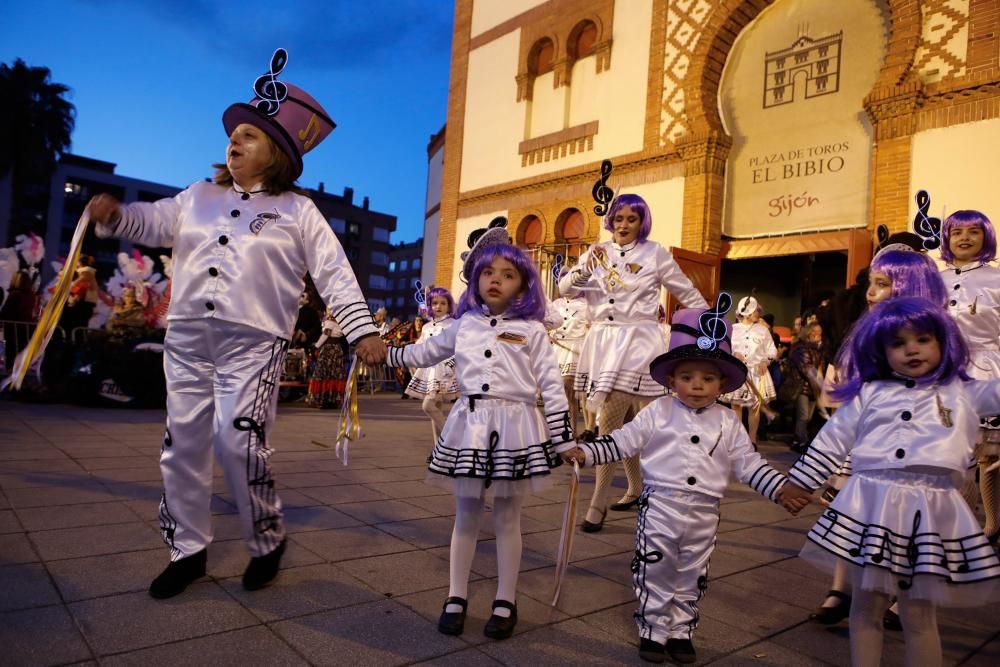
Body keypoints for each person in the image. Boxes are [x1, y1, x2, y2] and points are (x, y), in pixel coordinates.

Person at [85, 49, 386, 599]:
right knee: (183, 446)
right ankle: (187, 549)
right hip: (187, 341)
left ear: (276, 152)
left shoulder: (299, 211)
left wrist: (362, 328)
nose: (236, 141)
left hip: (254, 345)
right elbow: (151, 220)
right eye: (235, 134)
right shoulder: (198, 197)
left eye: (251, 135)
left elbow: (334, 271)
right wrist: (116, 216)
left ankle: (266, 538)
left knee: (237, 442)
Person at [562, 300, 805, 664]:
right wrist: (588, 453)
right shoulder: (658, 412)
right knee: (655, 565)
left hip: (705, 512)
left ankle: (680, 630)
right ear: (672, 379)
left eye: (708, 379)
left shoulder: (727, 422)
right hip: (660, 505)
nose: (697, 386)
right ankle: (653, 628)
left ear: (722, 383)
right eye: (688, 377)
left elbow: (749, 464)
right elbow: (623, 441)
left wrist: (779, 488)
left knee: (692, 572)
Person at [782, 297, 1000, 667]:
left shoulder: (964, 392)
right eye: (898, 343)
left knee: (919, 613)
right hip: (873, 505)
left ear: (944, 342)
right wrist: (802, 482)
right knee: (867, 603)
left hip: (930, 510)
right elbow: (834, 437)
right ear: (881, 350)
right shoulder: (871, 393)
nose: (911, 349)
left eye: (923, 339)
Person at [385, 223, 573, 640]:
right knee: (466, 514)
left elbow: (552, 386)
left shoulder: (533, 330)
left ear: (523, 283)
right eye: (489, 273)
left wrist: (565, 439)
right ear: (476, 277)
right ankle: (456, 595)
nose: (496, 280)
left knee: (508, 517)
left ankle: (505, 599)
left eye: (508, 275)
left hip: (516, 425)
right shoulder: (462, 324)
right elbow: (423, 352)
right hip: (469, 424)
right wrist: (382, 350)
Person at [811, 247, 948, 627]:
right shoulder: (866, 329)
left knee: (909, 522)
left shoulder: (933, 335)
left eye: (882, 285)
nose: (871, 293)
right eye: (871, 284)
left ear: (908, 287)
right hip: (863, 440)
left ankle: (902, 595)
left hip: (911, 447)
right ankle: (841, 587)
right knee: (848, 509)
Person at [559, 187, 707, 533]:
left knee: (610, 420)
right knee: (625, 424)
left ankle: (597, 501)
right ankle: (637, 487)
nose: (624, 224)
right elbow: (565, 289)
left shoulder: (655, 254)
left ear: (642, 222)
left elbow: (687, 292)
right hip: (602, 341)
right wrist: (584, 271)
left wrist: (712, 327)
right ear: (610, 221)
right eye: (619, 218)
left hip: (638, 342)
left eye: (632, 218)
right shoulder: (596, 252)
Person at [939, 209, 1000, 544]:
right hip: (943, 371)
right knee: (952, 456)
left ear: (985, 237)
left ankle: (991, 525)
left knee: (988, 455)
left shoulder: (997, 279)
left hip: (986, 371)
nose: (964, 237)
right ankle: (959, 534)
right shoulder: (936, 280)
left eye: (973, 231)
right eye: (956, 231)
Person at [720, 296, 776, 446]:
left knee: (754, 407)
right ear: (746, 313)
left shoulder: (763, 330)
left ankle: (752, 439)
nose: (758, 313)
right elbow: (723, 348)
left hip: (757, 372)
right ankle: (737, 439)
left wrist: (766, 360)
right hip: (737, 371)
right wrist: (732, 354)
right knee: (736, 405)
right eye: (755, 310)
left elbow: (772, 350)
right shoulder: (733, 329)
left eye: (758, 310)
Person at [404, 287, 459, 437]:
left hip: (446, 374)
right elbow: (420, 347)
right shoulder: (427, 326)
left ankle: (452, 437)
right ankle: (438, 450)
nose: (438, 306)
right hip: (430, 373)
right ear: (429, 305)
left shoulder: (453, 324)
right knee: (436, 410)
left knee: (428, 405)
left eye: (443, 303)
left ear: (449, 305)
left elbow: (458, 348)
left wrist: (451, 369)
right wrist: (411, 359)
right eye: (435, 303)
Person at [785, 321, 824, 451]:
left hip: (811, 388)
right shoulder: (801, 348)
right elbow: (807, 368)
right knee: (803, 416)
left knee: (807, 417)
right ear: (809, 332)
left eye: (820, 332)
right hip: (802, 386)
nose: (818, 335)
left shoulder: (815, 349)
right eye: (815, 332)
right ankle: (800, 441)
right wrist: (819, 383)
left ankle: (800, 440)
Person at [307, 311, 347, 409]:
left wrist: (316, 346)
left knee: (322, 373)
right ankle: (332, 399)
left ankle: (322, 399)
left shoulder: (330, 321)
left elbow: (326, 334)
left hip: (329, 349)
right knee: (334, 374)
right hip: (337, 348)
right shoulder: (340, 321)